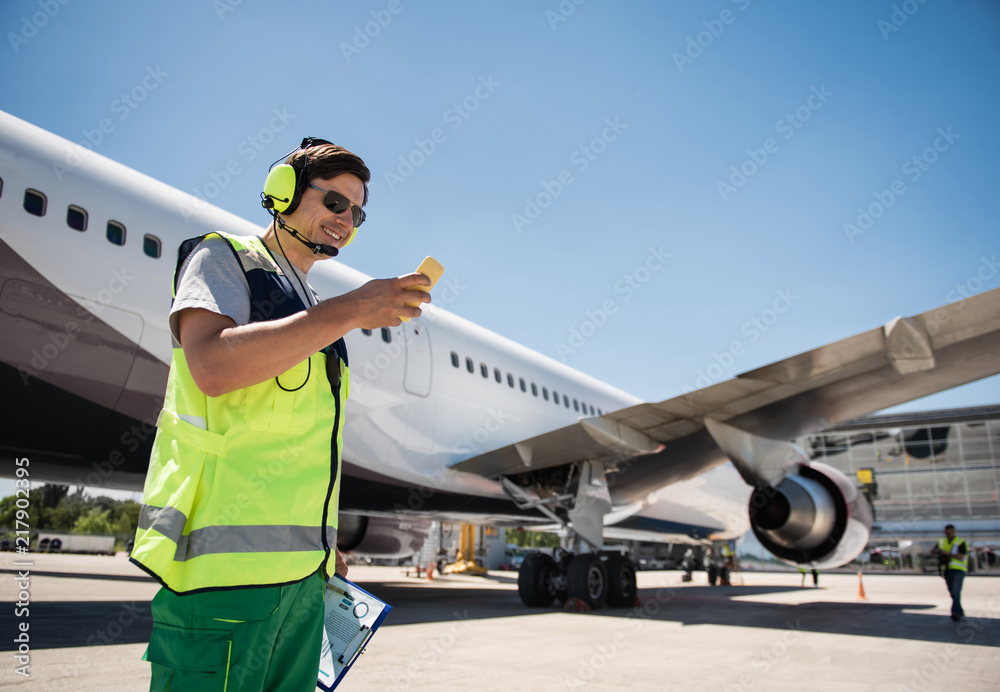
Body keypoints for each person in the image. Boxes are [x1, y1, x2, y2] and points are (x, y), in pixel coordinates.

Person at [130, 137, 432, 691]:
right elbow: (213, 367)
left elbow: (296, 447)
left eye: (357, 212)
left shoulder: (312, 312)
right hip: (219, 582)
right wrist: (351, 309)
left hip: (302, 585)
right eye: (335, 202)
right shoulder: (223, 259)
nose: (346, 219)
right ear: (283, 191)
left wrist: (323, 544)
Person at [932, 524, 969, 621]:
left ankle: (955, 613)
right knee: (952, 592)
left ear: (953, 532)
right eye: (945, 533)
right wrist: (937, 551)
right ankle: (959, 611)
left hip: (958, 569)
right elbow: (932, 551)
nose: (947, 535)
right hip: (947, 569)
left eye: (948, 533)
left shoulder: (961, 542)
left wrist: (947, 554)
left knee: (956, 591)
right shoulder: (941, 541)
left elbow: (962, 556)